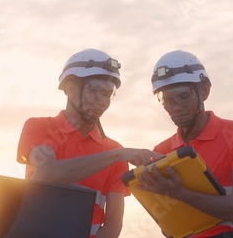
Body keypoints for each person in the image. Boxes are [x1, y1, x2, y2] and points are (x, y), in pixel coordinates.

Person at [17, 48, 161, 238]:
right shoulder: (38, 127)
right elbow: (47, 174)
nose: (103, 101)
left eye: (108, 94)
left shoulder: (115, 150)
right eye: (96, 91)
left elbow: (113, 226)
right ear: (70, 89)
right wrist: (117, 155)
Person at [138, 50, 233, 238]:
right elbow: (167, 227)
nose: (176, 106)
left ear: (204, 90)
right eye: (167, 99)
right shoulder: (161, 152)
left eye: (183, 96)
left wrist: (181, 194)